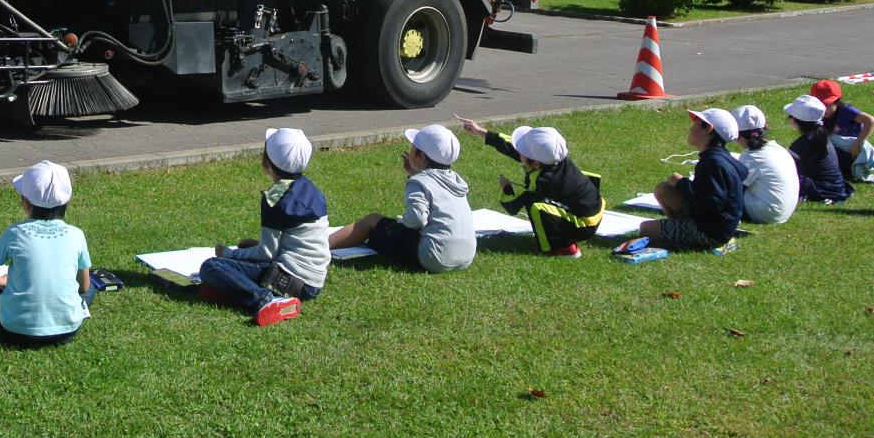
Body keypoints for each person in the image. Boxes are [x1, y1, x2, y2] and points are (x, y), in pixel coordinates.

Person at [199, 128, 330, 326]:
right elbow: (294, 240)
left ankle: (266, 300)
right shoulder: (311, 189)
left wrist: (227, 253)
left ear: (265, 162)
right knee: (243, 252)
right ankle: (236, 292)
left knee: (211, 267)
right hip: (313, 282)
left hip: (288, 279)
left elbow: (266, 254)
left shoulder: (275, 197)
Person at [0, 160, 95, 347]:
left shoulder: (14, 232)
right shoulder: (77, 234)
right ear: (67, 202)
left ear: (26, 203)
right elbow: (84, 286)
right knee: (91, 290)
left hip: (14, 332)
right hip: (67, 331)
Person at [328, 124, 475, 273]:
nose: (409, 150)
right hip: (466, 257)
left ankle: (322, 245)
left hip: (433, 257)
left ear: (422, 156)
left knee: (372, 220)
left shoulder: (419, 182)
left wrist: (402, 222)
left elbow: (417, 219)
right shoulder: (456, 181)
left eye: (413, 147)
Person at [461, 118, 603, 258]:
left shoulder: (543, 180)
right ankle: (562, 234)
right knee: (538, 202)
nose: (519, 152)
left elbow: (514, 204)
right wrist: (481, 132)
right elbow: (512, 147)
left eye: (524, 152)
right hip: (593, 210)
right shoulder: (555, 158)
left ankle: (563, 248)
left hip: (585, 226)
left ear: (535, 164)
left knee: (536, 206)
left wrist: (507, 188)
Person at [640, 108, 748, 251]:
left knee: (645, 229)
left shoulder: (714, 163)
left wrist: (682, 183)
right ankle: (679, 229)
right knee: (663, 189)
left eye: (695, 124)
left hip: (711, 232)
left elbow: (712, 203)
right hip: (706, 218)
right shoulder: (715, 157)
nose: (690, 128)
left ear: (708, 129)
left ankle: (690, 240)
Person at [732, 104, 799, 225]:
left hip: (768, 212)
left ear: (737, 136)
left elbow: (734, 188)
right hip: (784, 210)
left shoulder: (752, 156)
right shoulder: (777, 148)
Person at [809, 79, 874, 182]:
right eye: (819, 105)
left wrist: (857, 144)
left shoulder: (846, 111)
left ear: (837, 101)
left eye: (826, 105)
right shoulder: (818, 114)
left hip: (850, 153)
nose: (823, 109)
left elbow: (871, 121)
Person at [785, 94, 852, 203]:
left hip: (821, 189)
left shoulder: (803, 143)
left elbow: (787, 167)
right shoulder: (821, 137)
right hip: (836, 187)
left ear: (794, 121)